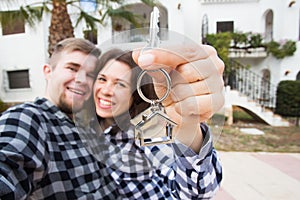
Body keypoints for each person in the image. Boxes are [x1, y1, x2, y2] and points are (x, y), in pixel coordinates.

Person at [80, 47, 224, 199]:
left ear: (135, 94)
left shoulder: (148, 128)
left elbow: (196, 192)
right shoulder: (90, 126)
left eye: (120, 84)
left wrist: (187, 129)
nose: (106, 90)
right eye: (102, 79)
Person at [0, 38, 118, 199]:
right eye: (72, 68)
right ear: (48, 71)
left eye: (91, 74)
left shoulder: (84, 127)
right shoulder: (29, 118)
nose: (82, 80)